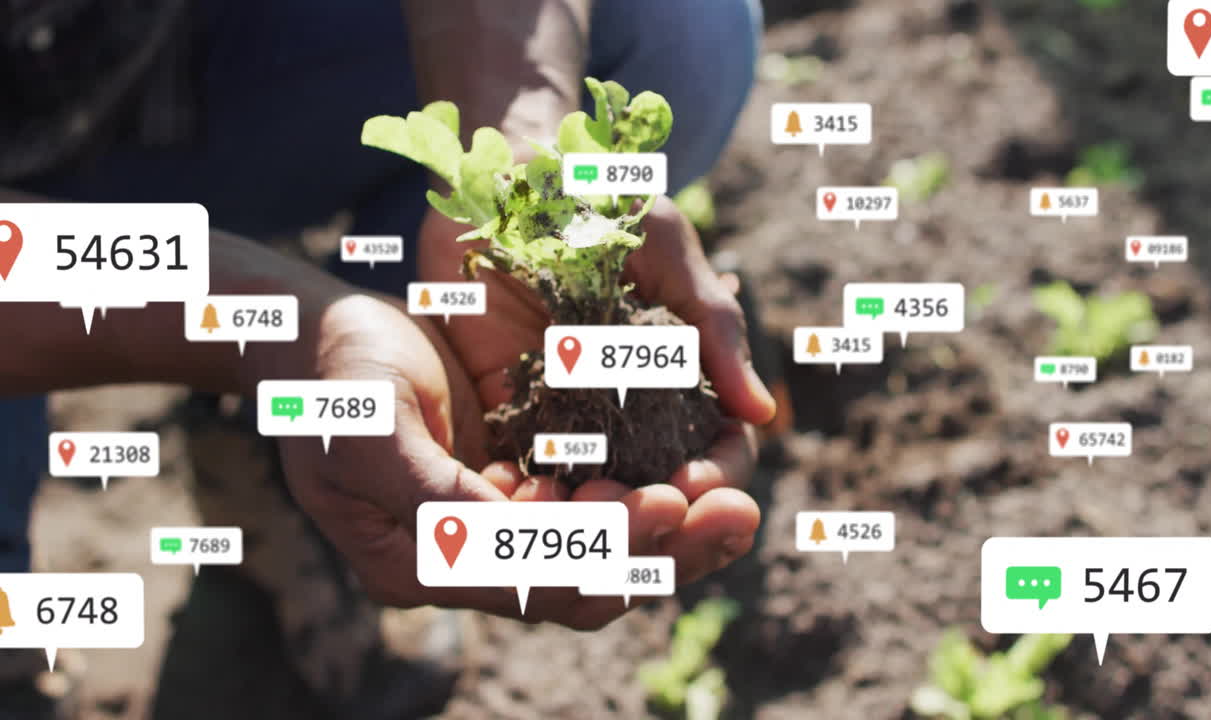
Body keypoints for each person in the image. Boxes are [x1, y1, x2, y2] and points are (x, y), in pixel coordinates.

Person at [0, 0, 770, 717]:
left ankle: (318, 443)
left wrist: (522, 161)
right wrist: (282, 330)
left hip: (168, 58)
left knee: (673, 30)